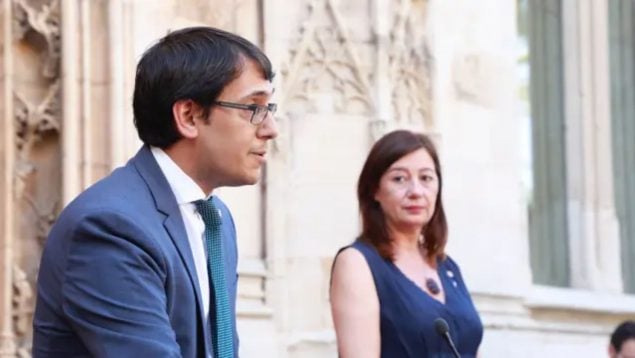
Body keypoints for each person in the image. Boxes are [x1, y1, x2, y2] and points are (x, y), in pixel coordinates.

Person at [32, 26, 278, 357]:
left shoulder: (215, 218)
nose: (270, 129)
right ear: (189, 116)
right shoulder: (110, 227)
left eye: (269, 109)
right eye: (253, 108)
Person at [330, 130, 483, 357]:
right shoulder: (357, 264)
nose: (416, 192)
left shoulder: (447, 266)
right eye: (399, 178)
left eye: (426, 178)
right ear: (374, 190)